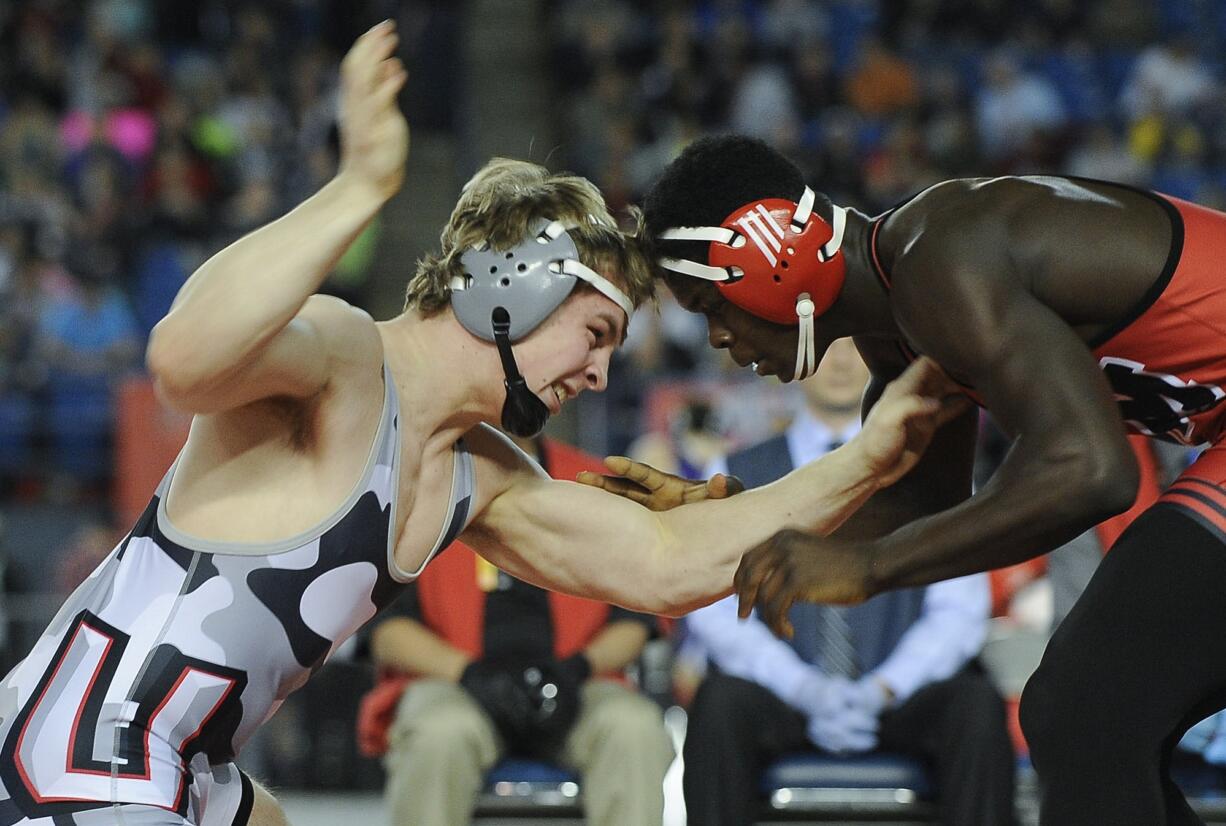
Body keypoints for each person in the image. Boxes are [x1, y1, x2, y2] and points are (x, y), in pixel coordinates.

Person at [0, 24, 959, 826]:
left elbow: (668, 561)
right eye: (594, 332)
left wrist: (871, 455)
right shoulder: (342, 357)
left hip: (189, 760)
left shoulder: (478, 473)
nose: (597, 373)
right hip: (90, 744)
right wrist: (360, 186)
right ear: (514, 284)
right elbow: (183, 357)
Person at [639, 132, 1226, 825]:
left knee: (1085, 710)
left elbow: (1092, 472)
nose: (714, 340)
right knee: (1095, 716)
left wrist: (872, 566)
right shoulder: (900, 322)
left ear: (766, 254)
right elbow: (916, 510)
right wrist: (732, 517)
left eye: (708, 306)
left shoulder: (941, 260)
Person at [681, 339, 1015, 826]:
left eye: (855, 347)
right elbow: (712, 608)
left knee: (976, 707)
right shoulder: (736, 473)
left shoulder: (936, 470)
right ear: (796, 359)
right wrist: (802, 687)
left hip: (898, 692)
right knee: (718, 706)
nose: (839, 362)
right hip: (784, 692)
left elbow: (960, 609)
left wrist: (884, 687)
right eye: (825, 348)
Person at [357, 435, 672, 826]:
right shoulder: (421, 482)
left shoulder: (594, 483)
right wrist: (472, 676)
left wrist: (576, 670)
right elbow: (387, 631)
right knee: (438, 734)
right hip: (456, 685)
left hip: (576, 685)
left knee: (634, 729)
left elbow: (634, 622)